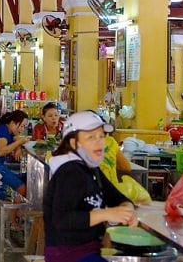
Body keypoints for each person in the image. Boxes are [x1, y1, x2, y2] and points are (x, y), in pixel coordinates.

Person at [44, 111, 137, 262]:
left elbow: (117, 197)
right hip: (68, 254)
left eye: (101, 136)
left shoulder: (91, 169)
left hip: (89, 251)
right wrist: (107, 214)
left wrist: (127, 208)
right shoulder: (69, 172)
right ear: (74, 143)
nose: (99, 142)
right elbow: (62, 219)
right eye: (91, 137)